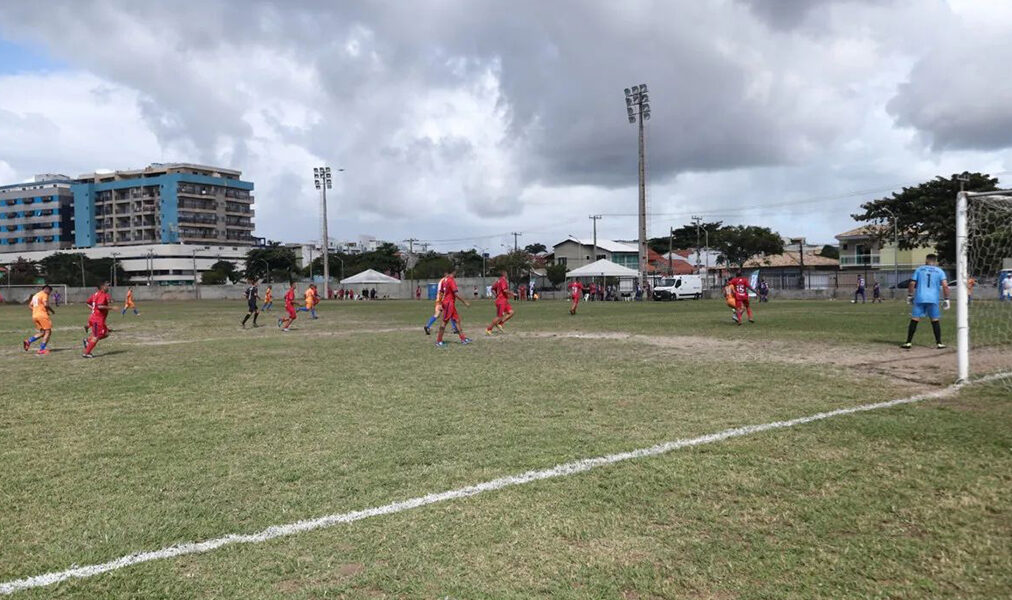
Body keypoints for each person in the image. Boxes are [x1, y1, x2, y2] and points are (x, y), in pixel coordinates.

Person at [901, 254, 949, 349]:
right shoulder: (940, 271)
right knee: (935, 320)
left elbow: (912, 283)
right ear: (935, 261)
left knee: (915, 319)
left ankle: (908, 342)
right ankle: (939, 343)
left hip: (920, 298)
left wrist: (910, 295)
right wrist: (946, 298)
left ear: (926, 260)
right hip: (933, 299)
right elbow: (945, 286)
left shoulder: (919, 269)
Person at [435, 266, 472, 347]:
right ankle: (438, 341)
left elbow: (441, 292)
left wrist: (440, 303)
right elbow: (456, 294)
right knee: (444, 322)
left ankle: (463, 339)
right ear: (453, 272)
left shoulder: (444, 280)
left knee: (457, 320)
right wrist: (464, 302)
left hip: (448, 303)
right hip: (449, 303)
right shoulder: (451, 281)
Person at [424, 271, 459, 335]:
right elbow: (441, 292)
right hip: (444, 301)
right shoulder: (445, 281)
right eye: (452, 274)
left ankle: (427, 326)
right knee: (450, 313)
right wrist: (440, 302)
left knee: (437, 314)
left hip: (439, 300)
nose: (453, 276)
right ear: (447, 274)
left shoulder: (442, 280)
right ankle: (454, 328)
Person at [23, 284, 55, 355]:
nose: (49, 293)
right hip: (42, 316)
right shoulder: (44, 294)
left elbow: (30, 306)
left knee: (42, 332)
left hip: (35, 316)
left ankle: (28, 341)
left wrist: (36, 311)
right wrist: (52, 311)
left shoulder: (36, 295)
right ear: (47, 289)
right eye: (50, 291)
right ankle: (41, 349)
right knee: (48, 332)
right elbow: (46, 304)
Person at [82, 281, 112, 358]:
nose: (108, 287)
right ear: (102, 287)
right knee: (96, 337)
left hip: (95, 318)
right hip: (97, 320)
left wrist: (93, 309)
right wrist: (111, 307)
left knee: (106, 334)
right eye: (106, 286)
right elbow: (100, 306)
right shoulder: (102, 294)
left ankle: (88, 340)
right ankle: (86, 353)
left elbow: (88, 302)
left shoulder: (95, 294)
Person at [486, 270, 515, 335]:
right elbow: (504, 290)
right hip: (501, 301)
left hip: (504, 300)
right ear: (504, 274)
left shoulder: (498, 281)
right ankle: (488, 329)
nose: (507, 275)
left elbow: (492, 288)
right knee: (499, 316)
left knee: (511, 312)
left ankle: (500, 324)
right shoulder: (503, 281)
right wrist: (512, 293)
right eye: (506, 274)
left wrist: (496, 295)